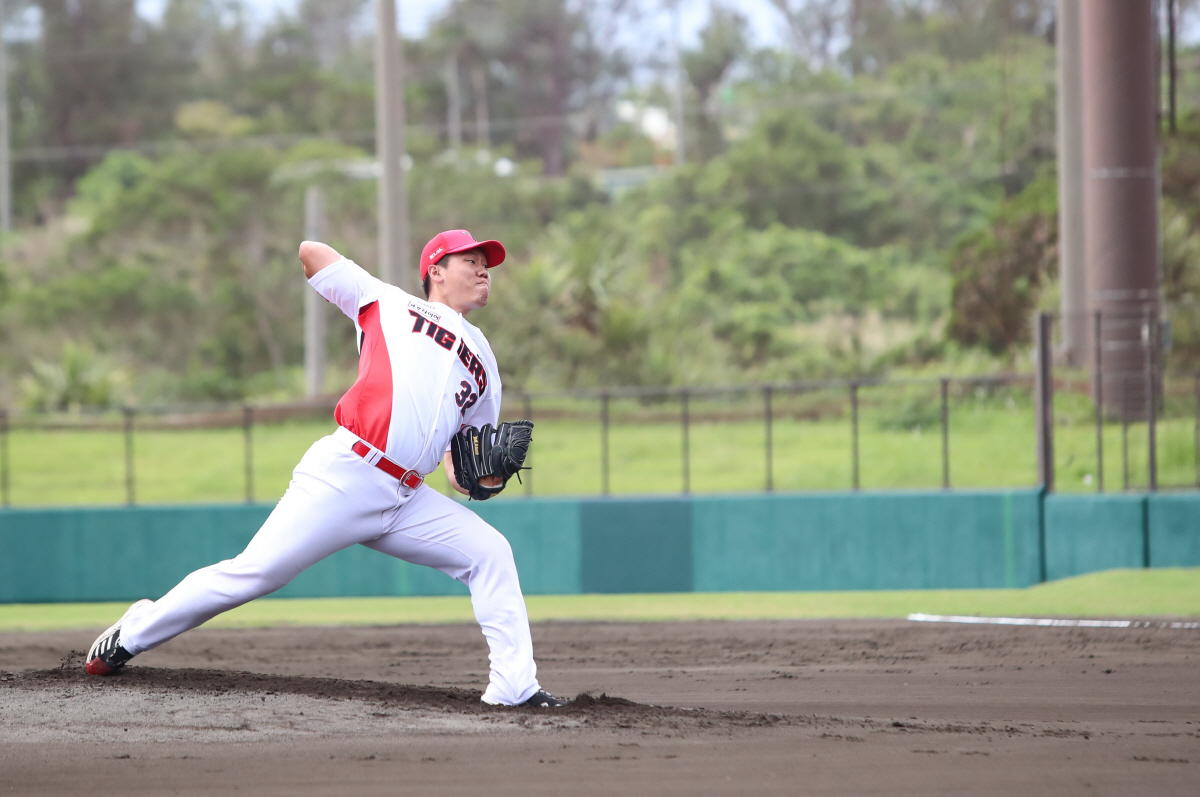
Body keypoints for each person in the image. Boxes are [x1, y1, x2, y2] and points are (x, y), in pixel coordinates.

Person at [84, 229, 566, 708]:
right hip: (347, 474)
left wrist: (486, 480)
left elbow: (461, 468)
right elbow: (310, 253)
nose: (484, 270)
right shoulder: (386, 302)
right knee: (253, 575)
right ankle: (134, 632)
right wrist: (362, 284)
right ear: (435, 272)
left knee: (491, 553)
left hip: (407, 498)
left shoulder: (484, 360)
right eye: (472, 260)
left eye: (488, 263)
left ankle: (514, 687)